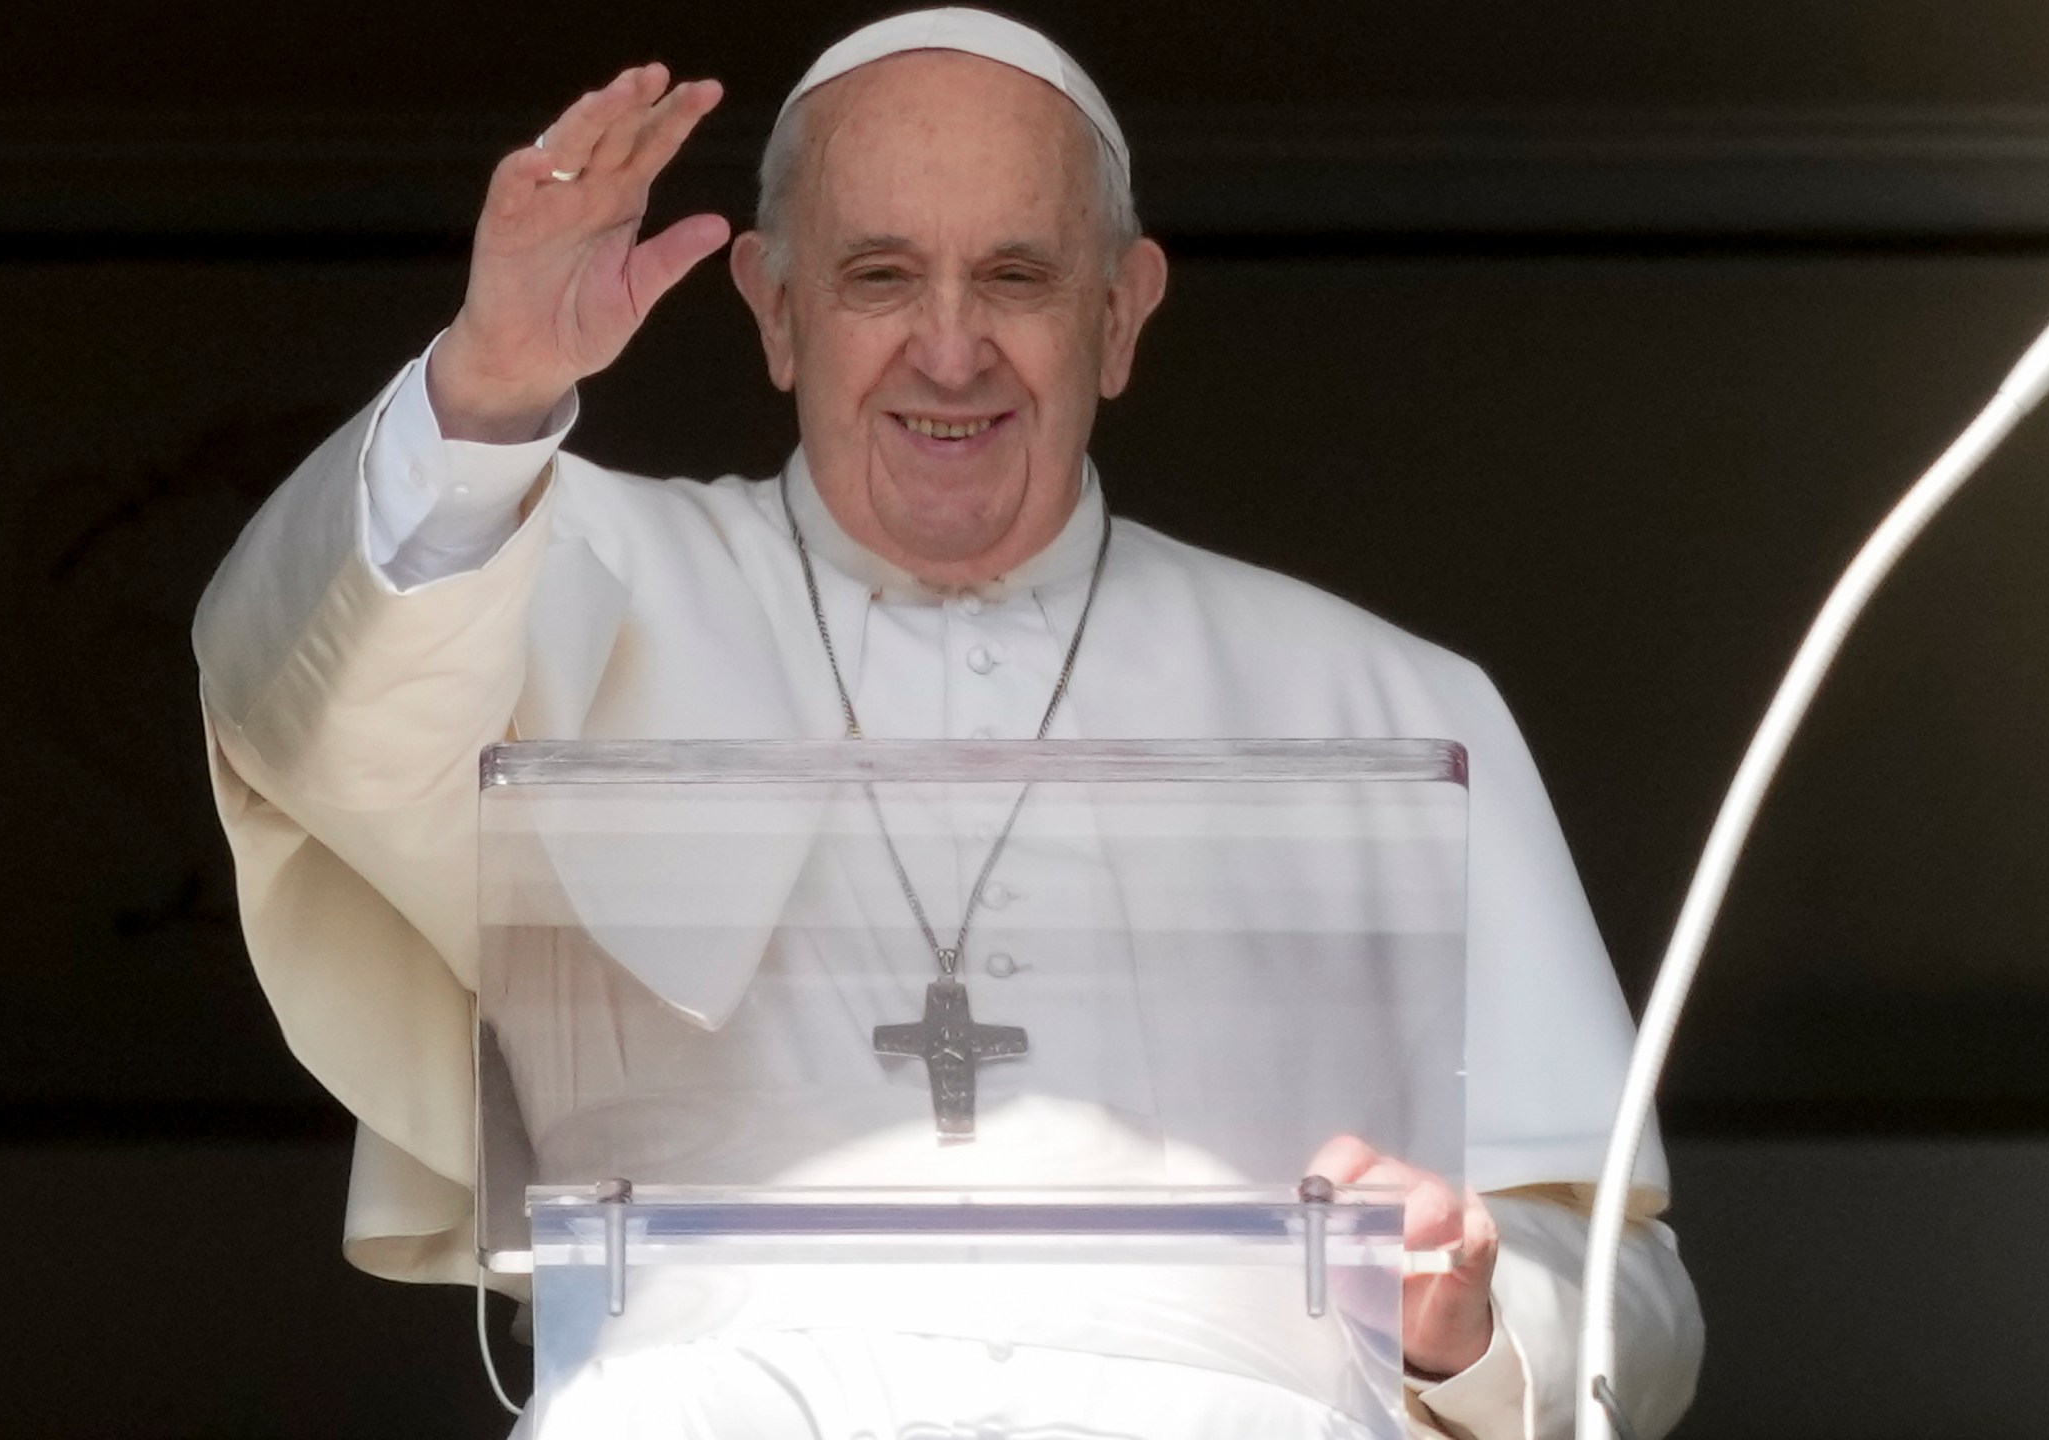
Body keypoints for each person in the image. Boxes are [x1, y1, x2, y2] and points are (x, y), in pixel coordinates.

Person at [193, 10, 1702, 1437]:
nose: (953, 348)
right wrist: (491, 384)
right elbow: (303, 709)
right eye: (878, 278)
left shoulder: (1385, 701)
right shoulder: (556, 578)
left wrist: (1470, 1323)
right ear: (774, 311)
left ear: (1122, 316)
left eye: (1021, 278)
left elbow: (1632, 1306)